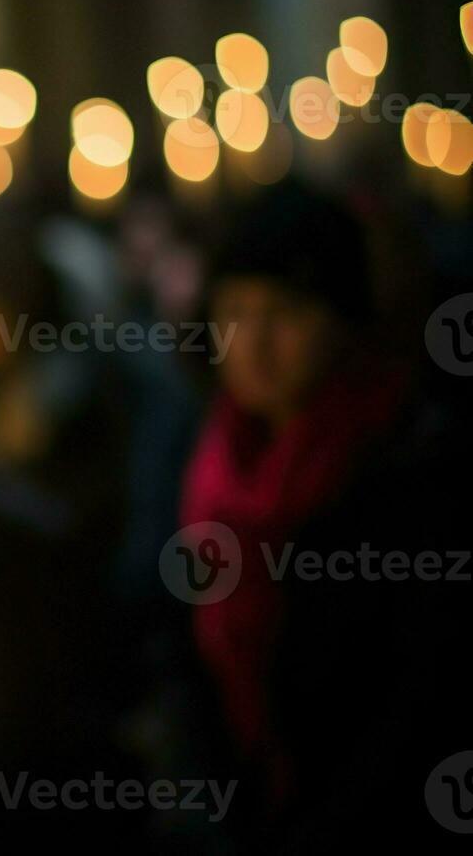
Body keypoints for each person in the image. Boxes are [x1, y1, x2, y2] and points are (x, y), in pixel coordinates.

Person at [180, 181, 467, 851]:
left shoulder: (408, 465)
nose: (254, 341)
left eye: (286, 311)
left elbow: (417, 701)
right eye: (234, 311)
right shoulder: (217, 459)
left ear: (344, 322)